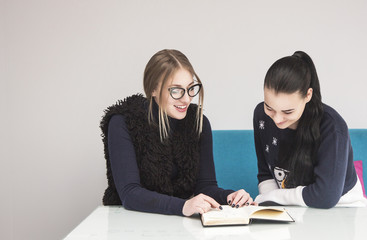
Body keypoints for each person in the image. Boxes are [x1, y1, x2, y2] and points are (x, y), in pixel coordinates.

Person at [100, 49, 253, 216]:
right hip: (129, 222)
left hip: (177, 222)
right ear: (153, 90)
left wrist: (229, 196)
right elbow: (130, 194)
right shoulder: (123, 122)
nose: (187, 99)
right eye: (176, 90)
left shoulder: (198, 123)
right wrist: (183, 206)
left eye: (190, 88)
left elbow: (205, 187)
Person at [253, 51, 367, 208]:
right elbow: (266, 173)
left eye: (288, 112)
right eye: (269, 108)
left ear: (308, 95)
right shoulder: (261, 116)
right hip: (292, 208)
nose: (277, 119)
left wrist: (275, 197)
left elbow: (326, 197)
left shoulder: (332, 126)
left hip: (341, 208)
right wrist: (271, 205)